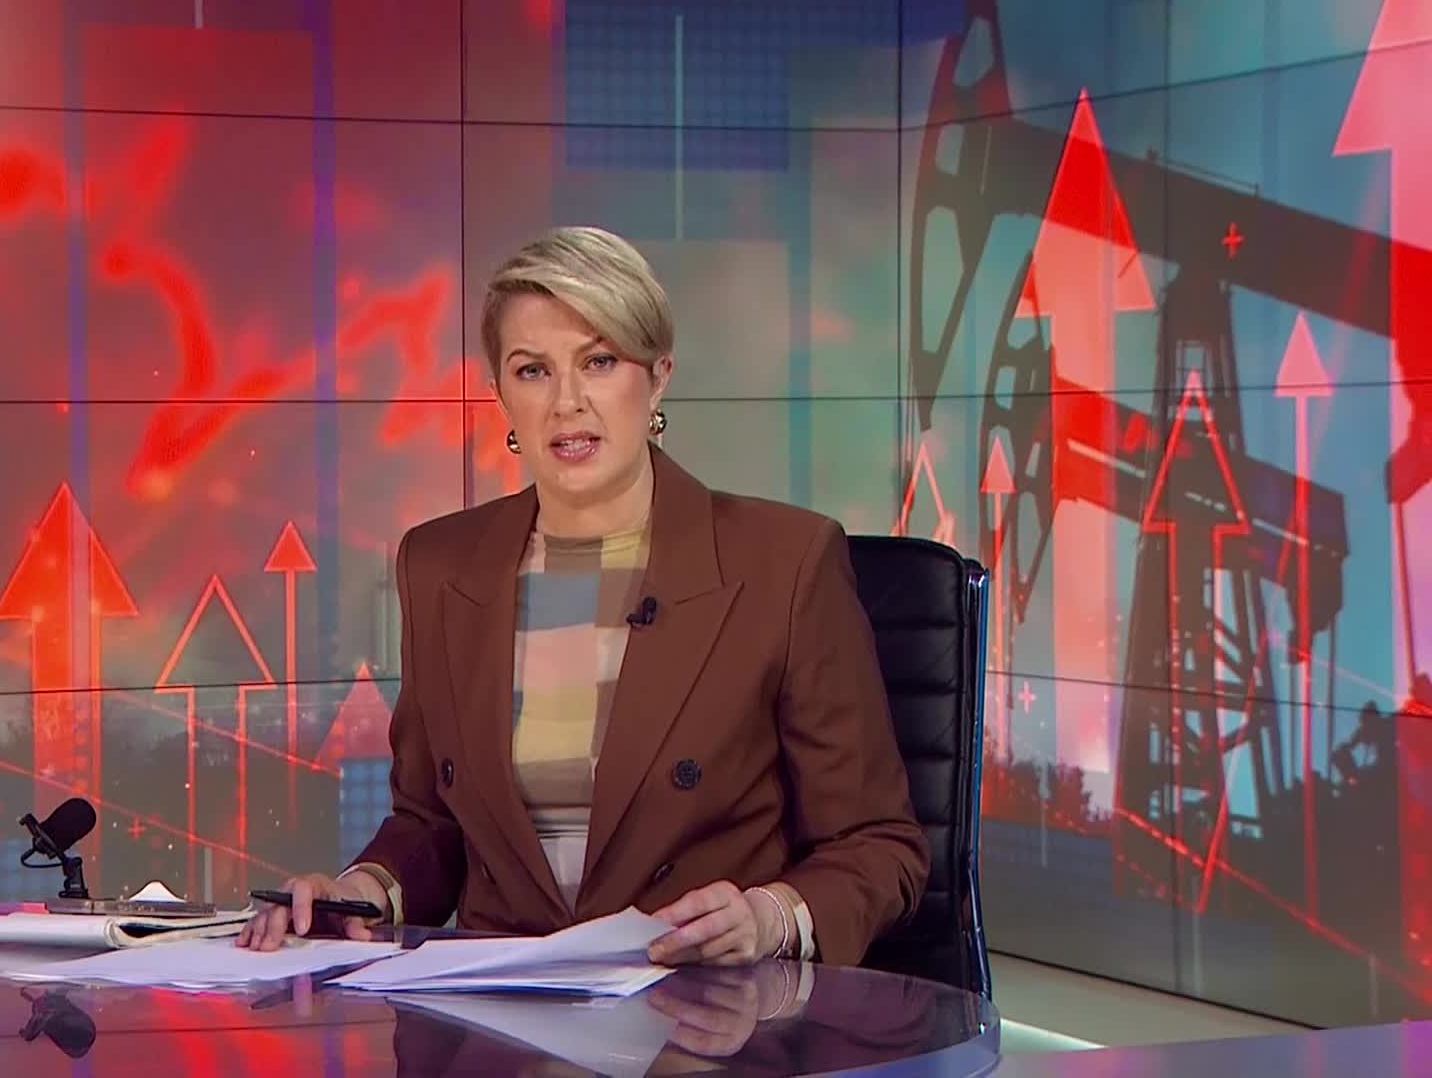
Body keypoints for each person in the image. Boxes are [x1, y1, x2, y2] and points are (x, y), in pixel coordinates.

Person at [238, 225, 927, 967]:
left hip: (707, 1016)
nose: (567, 402)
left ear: (657, 375)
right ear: (500, 391)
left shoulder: (784, 563)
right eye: (533, 371)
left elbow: (878, 847)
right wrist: (364, 890)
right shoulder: (440, 566)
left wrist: (770, 917)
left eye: (599, 362)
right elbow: (430, 825)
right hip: (499, 1013)